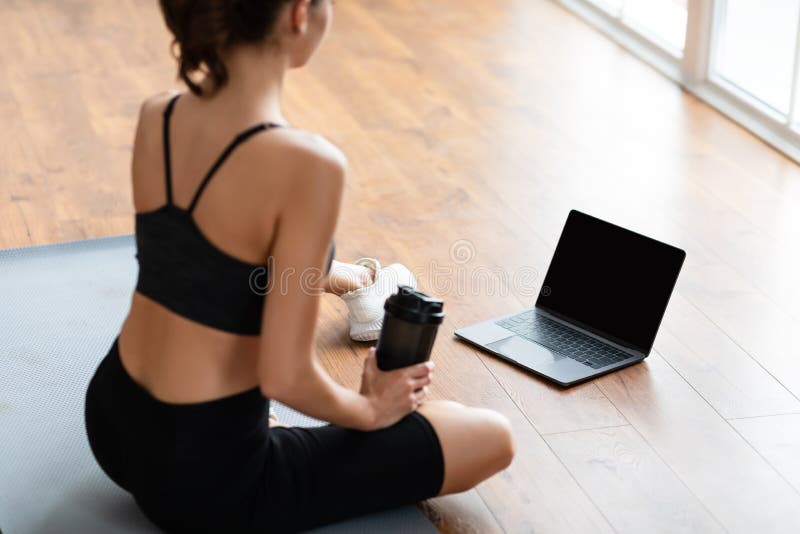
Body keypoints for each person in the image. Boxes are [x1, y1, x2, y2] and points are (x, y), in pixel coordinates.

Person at [84, 1, 515, 531]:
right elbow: (284, 375)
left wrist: (319, 275)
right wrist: (371, 410)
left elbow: (192, 265)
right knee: (490, 436)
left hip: (114, 417)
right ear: (296, 13)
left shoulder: (160, 112)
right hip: (203, 480)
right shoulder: (309, 164)